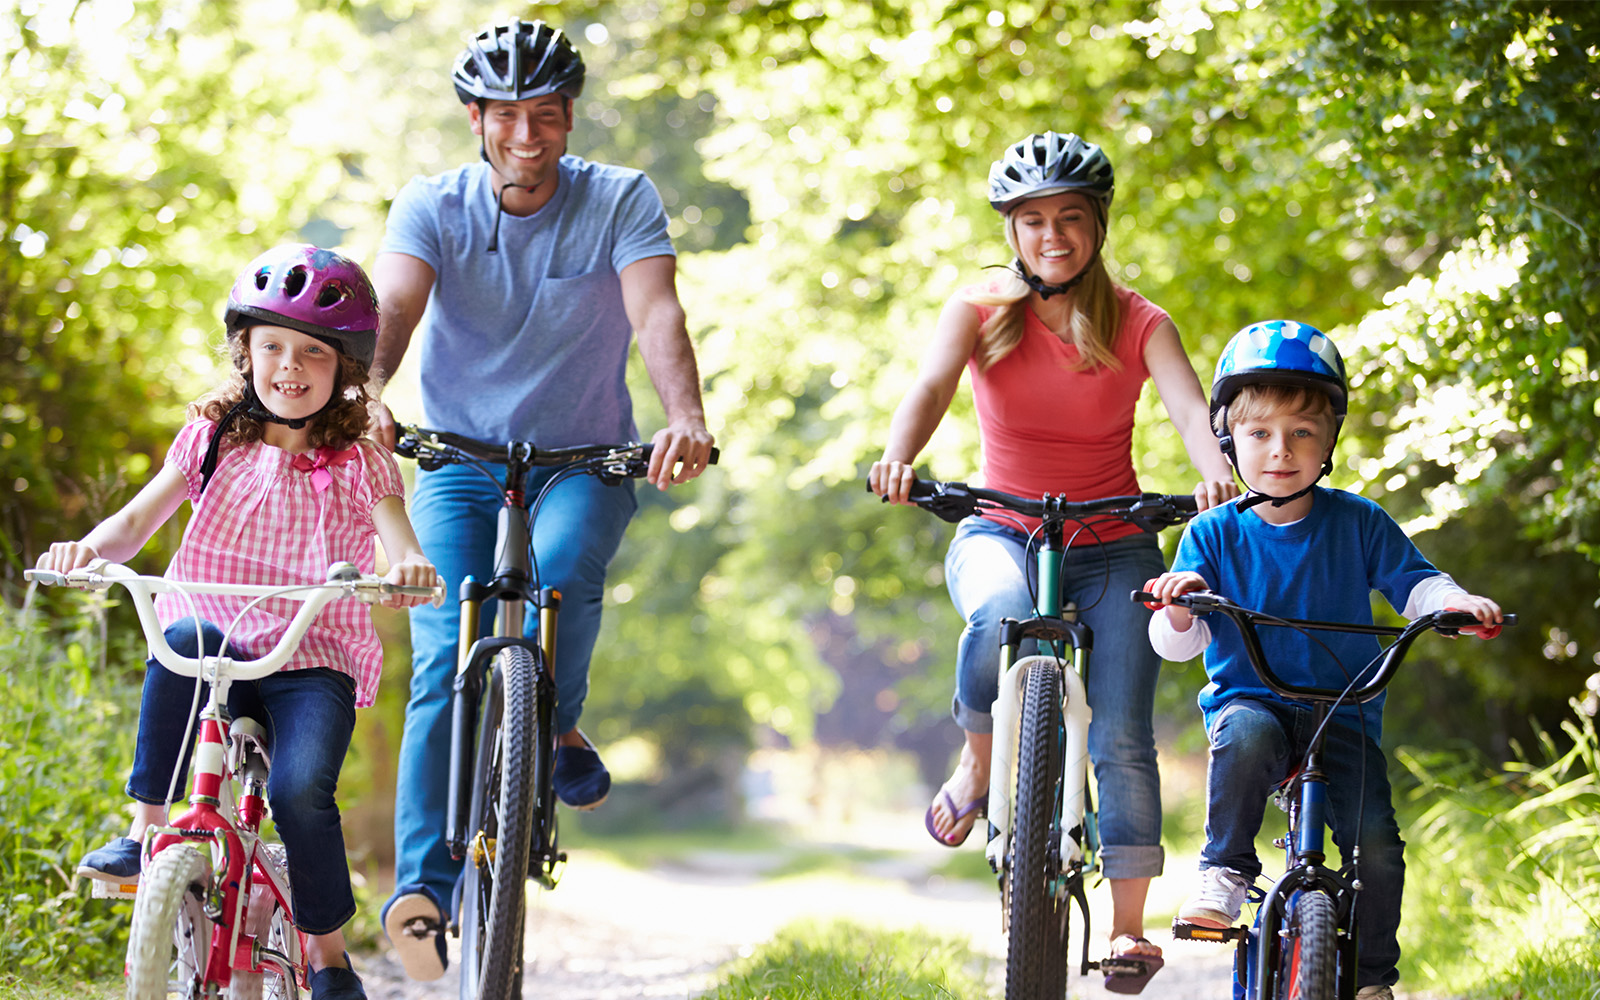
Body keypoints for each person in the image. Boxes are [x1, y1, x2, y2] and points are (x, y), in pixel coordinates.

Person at [367, 18, 715, 981]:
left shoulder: (621, 199)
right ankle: (421, 892)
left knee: (561, 575)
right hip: (458, 458)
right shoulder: (431, 206)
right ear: (476, 119)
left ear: (570, 121)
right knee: (445, 644)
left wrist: (682, 415)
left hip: (586, 456)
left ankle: (551, 719)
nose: (528, 136)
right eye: (508, 117)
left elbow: (656, 311)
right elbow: (395, 306)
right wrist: (369, 394)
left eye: (548, 117)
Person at [868, 130, 1238, 993]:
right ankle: (978, 756)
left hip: (1114, 547)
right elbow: (928, 386)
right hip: (1001, 528)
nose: (1052, 236)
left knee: (1121, 736)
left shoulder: (1142, 320)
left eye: (1070, 218)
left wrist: (1214, 464)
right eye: (1032, 221)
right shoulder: (981, 308)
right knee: (996, 614)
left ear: (1098, 225)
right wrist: (899, 454)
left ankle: (1129, 931)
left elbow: (1189, 407)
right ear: (1012, 231)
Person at [42, 245, 440, 1000]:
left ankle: (327, 957)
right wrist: (85, 551)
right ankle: (143, 832)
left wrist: (409, 569)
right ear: (246, 353)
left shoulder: (362, 463)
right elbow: (134, 522)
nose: (290, 367)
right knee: (179, 634)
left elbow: (400, 544)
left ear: (345, 369)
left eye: (313, 353)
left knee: (299, 793)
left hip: (309, 657)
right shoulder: (213, 438)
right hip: (213, 641)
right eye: (272, 348)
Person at [1144, 320, 1503, 1000]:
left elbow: (1417, 585)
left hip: (1345, 712)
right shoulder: (1212, 532)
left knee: (1378, 848)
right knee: (1246, 736)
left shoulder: (1359, 521)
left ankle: (1371, 982)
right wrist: (1182, 604)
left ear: (1329, 441)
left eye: (1302, 433)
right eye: (1259, 435)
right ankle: (1224, 871)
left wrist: (1454, 603)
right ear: (1228, 441)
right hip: (1253, 702)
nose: (1280, 451)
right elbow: (1177, 644)